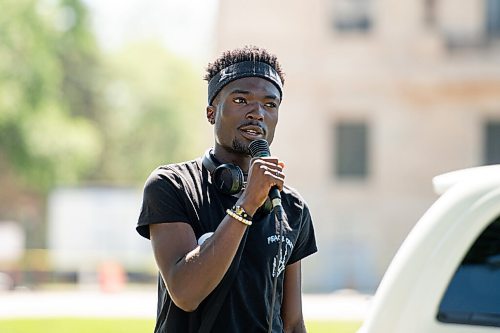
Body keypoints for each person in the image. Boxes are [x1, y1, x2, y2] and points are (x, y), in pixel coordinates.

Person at [137, 45, 317, 333]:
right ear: (211, 112)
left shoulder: (291, 208)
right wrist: (246, 206)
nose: (257, 112)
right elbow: (185, 293)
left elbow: (293, 322)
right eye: (241, 99)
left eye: (270, 105)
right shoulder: (172, 185)